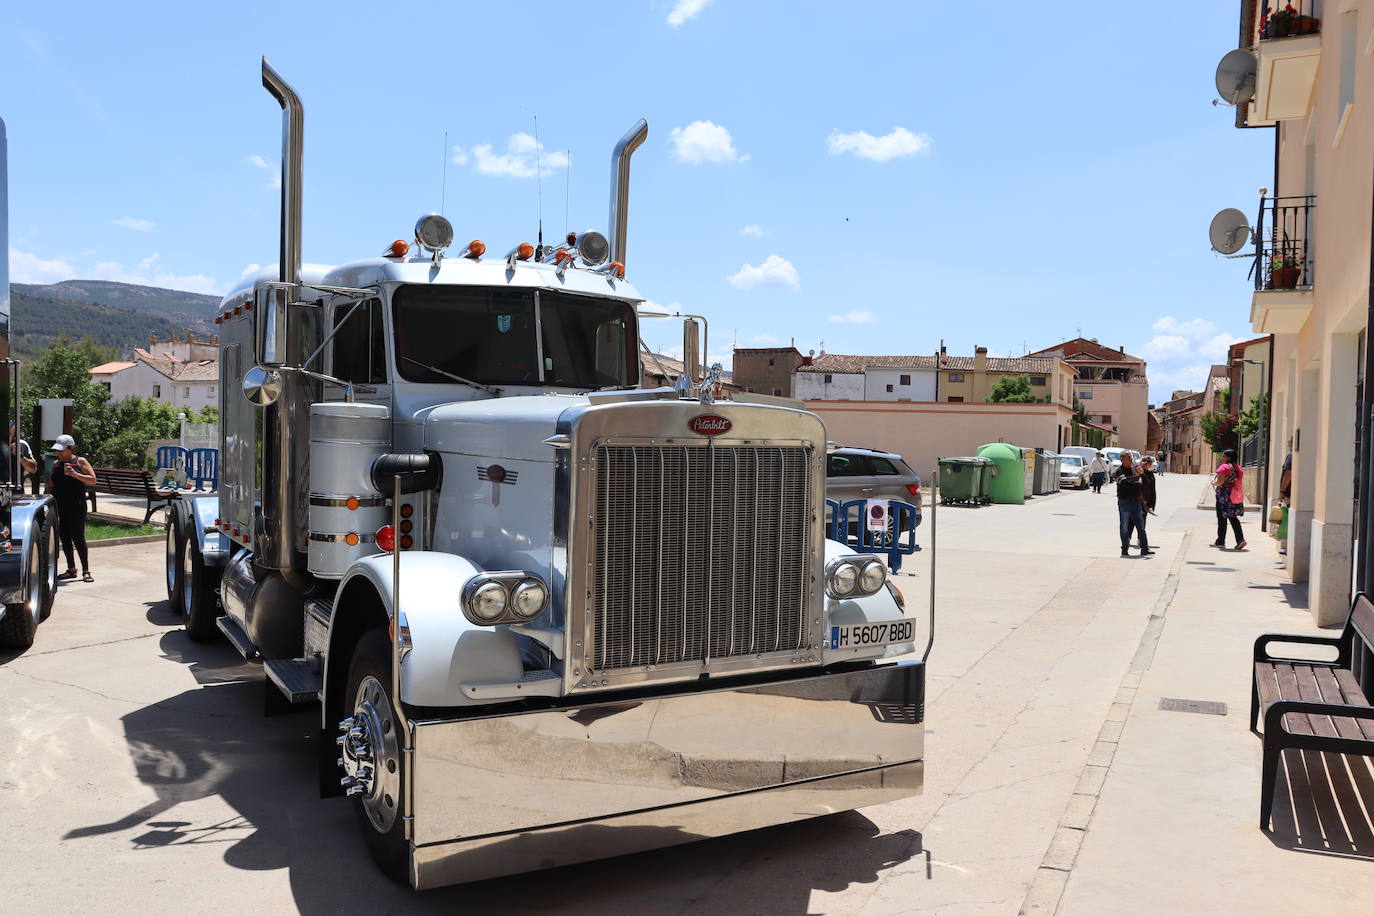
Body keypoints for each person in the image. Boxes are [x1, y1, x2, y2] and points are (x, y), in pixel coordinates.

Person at [47, 434, 96, 582]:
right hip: (60, 507)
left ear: (70, 448)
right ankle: (71, 569)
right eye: (57, 450)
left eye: (61, 450)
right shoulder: (56, 464)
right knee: (65, 538)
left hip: (77, 505)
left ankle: (86, 571)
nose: (59, 453)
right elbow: (50, 486)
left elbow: (93, 480)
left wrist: (75, 474)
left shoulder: (80, 461)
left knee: (78, 537)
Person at [1112, 451, 1152, 557]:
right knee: (1124, 527)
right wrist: (1137, 482)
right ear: (1122, 459)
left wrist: (1142, 474)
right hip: (1124, 502)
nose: (1131, 459)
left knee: (1141, 526)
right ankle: (1124, 549)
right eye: (1128, 457)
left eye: (1131, 457)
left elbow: (1146, 483)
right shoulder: (1118, 471)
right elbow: (1125, 484)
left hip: (1136, 502)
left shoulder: (1135, 469)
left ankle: (1144, 549)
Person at [1211, 447, 1246, 550]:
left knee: (1221, 518)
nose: (1222, 458)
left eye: (1224, 456)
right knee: (1233, 517)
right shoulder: (1238, 468)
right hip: (1233, 495)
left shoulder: (1224, 467)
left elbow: (1220, 482)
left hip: (1223, 495)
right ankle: (1240, 540)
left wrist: (1213, 483)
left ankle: (1220, 541)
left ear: (1228, 458)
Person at [1139, 454, 1157, 538]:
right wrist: (1140, 468)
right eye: (1145, 461)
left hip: (1146, 502)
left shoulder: (1151, 474)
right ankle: (1127, 539)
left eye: (1149, 462)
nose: (1147, 463)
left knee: (1143, 521)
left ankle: (1140, 539)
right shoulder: (1137, 471)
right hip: (1137, 501)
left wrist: (1152, 504)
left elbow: (1152, 489)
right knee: (1131, 522)